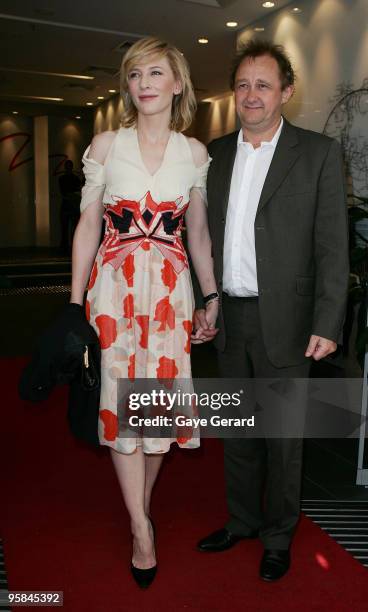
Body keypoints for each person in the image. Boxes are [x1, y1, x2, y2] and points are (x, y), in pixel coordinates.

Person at [194, 39, 349, 581]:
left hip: (289, 321)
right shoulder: (211, 154)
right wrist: (202, 300)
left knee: (284, 440)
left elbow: (334, 245)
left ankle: (279, 535)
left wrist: (329, 323)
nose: (251, 95)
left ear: (286, 91)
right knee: (238, 431)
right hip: (228, 319)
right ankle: (242, 521)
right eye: (242, 84)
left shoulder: (319, 152)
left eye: (263, 84)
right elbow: (199, 238)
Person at [70, 36, 218, 588]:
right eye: (135, 75)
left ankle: (142, 503)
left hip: (170, 297)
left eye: (156, 73)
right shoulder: (107, 145)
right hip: (114, 294)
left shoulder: (195, 154)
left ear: (177, 83)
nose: (145, 84)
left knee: (155, 412)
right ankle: (141, 528)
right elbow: (88, 226)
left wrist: (211, 297)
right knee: (119, 402)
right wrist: (74, 301)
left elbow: (198, 234)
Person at [59, 159, 81, 252]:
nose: (68, 168)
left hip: (71, 205)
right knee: (65, 227)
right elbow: (64, 192)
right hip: (69, 205)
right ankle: (66, 246)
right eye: (67, 166)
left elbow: (75, 191)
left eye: (69, 166)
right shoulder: (65, 179)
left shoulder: (74, 178)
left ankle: (71, 246)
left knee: (73, 227)